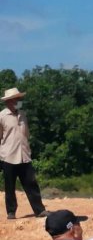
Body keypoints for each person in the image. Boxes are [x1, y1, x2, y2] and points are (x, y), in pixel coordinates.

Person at [0, 87, 48, 219]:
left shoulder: (23, 114)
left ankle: (39, 210)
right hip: (8, 156)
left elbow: (26, 133)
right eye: (16, 99)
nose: (18, 101)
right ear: (9, 101)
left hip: (24, 154)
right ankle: (11, 212)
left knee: (31, 183)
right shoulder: (2, 116)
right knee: (10, 186)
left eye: (19, 99)